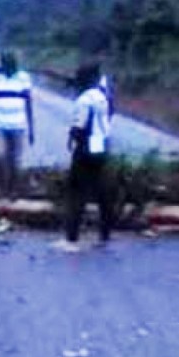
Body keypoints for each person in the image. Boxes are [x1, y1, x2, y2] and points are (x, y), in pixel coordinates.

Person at [58, 64, 117, 252]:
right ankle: (105, 235)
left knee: (77, 192)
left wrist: (72, 139)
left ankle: (72, 237)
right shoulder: (103, 96)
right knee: (103, 192)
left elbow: (80, 126)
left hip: (85, 147)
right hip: (102, 145)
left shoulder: (83, 100)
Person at [0, 53, 34, 195]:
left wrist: (31, 128)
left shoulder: (24, 78)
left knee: (16, 160)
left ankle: (13, 189)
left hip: (18, 125)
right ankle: (2, 187)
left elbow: (28, 103)